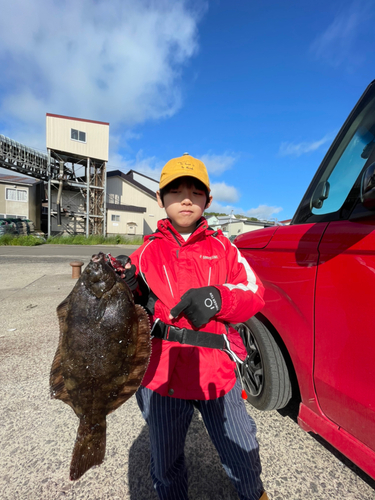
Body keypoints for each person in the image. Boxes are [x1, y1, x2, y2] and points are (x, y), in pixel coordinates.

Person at [120, 153, 269, 500]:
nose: (185, 198)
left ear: (208, 199)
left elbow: (255, 294)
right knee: (166, 461)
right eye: (175, 190)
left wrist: (220, 297)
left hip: (217, 373)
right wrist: (129, 290)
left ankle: (253, 493)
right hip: (161, 375)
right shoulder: (143, 254)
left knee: (242, 450)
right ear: (160, 198)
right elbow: (126, 312)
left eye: (195, 191)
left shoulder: (225, 248)